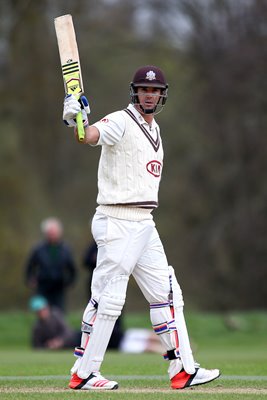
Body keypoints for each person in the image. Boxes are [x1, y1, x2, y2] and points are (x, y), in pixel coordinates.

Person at [62, 65, 220, 390]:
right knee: (109, 297)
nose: (150, 94)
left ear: (162, 94)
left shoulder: (157, 129)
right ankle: (84, 372)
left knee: (167, 293)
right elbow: (88, 136)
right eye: (144, 89)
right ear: (135, 91)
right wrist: (75, 119)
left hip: (145, 221)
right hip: (117, 219)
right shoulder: (120, 120)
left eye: (155, 90)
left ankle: (183, 369)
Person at [25, 217, 77, 312]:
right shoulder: (38, 249)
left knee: (58, 313)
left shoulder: (65, 249)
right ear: (46, 233)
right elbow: (30, 266)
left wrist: (70, 281)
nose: (52, 235)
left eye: (54, 232)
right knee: (43, 312)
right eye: (50, 233)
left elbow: (72, 268)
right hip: (43, 285)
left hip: (59, 286)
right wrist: (30, 279)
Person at [83, 239, 124, 349]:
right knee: (95, 310)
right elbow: (85, 261)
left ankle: (115, 339)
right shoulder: (94, 246)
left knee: (114, 310)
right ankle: (93, 340)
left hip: (113, 283)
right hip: (97, 285)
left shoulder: (115, 245)